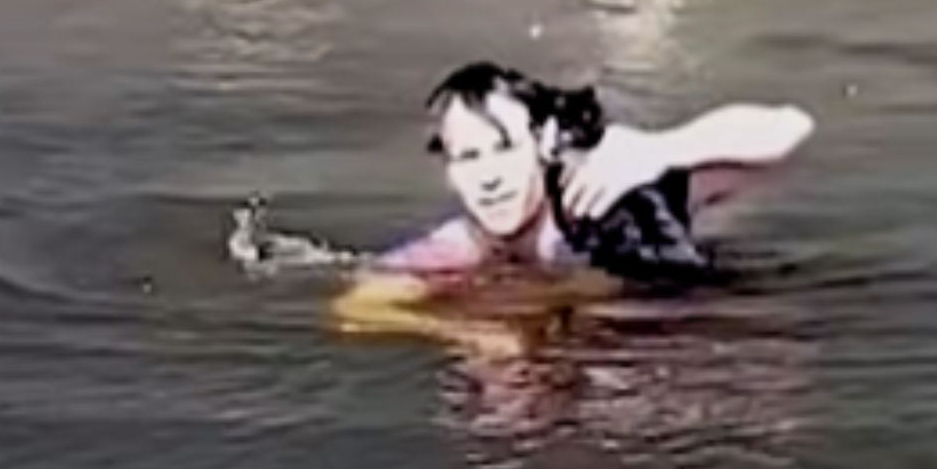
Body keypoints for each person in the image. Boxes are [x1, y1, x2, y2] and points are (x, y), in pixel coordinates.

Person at [327, 62, 815, 319]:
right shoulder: (462, 244)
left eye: (503, 149)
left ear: (542, 145)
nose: (489, 176)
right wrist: (468, 331)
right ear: (450, 171)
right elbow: (354, 307)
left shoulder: (604, 191)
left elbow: (791, 130)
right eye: (469, 159)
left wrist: (663, 150)